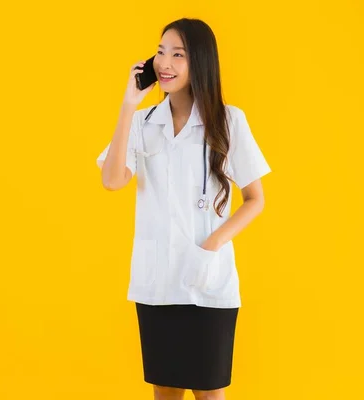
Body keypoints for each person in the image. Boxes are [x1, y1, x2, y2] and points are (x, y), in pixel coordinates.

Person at [96, 18, 272, 400]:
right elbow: (112, 180)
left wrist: (211, 245)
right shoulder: (143, 123)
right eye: (160, 52)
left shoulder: (228, 121)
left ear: (200, 63)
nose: (165, 63)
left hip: (208, 281)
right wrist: (129, 105)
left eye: (178, 54)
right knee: (165, 392)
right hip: (158, 284)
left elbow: (255, 198)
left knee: (209, 393)